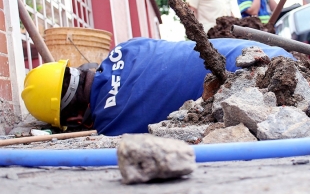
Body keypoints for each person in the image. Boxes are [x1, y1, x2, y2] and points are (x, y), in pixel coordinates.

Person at [21, 37, 295, 136]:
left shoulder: (111, 123)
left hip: (265, 88)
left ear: (74, 119)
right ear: (80, 69)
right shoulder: (126, 47)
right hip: (269, 53)